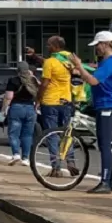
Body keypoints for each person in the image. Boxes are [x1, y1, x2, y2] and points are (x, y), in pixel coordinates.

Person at [72, 31, 112, 194]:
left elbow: (93, 81)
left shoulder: (110, 62)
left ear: (105, 44)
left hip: (107, 106)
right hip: (104, 105)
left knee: (104, 145)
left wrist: (79, 66)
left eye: (97, 45)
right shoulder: (105, 62)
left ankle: (105, 182)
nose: (96, 49)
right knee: (108, 144)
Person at [36, 36, 79, 177]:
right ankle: (71, 161)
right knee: (66, 133)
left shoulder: (50, 62)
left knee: (51, 135)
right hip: (66, 101)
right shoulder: (69, 59)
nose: (47, 47)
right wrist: (35, 56)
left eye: (49, 44)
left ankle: (56, 167)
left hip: (50, 102)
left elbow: (44, 83)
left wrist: (38, 99)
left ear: (55, 46)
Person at [1, 61, 38, 166]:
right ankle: (25, 158)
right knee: (27, 135)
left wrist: (4, 109)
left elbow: (9, 97)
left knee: (14, 133)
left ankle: (16, 154)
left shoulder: (13, 80)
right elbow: (39, 92)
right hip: (30, 108)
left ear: (17, 70)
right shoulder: (33, 80)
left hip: (16, 108)